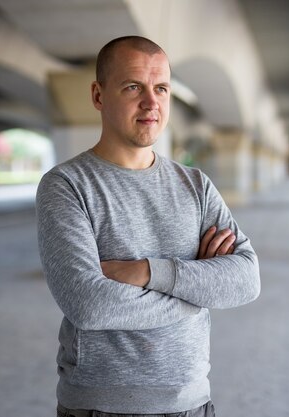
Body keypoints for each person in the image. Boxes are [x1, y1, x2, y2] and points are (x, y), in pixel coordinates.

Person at [36, 35, 260, 417]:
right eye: (133, 87)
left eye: (161, 88)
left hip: (194, 404)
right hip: (101, 408)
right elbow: (90, 305)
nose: (151, 102)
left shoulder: (196, 185)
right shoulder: (67, 185)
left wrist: (147, 272)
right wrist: (200, 289)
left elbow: (246, 280)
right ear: (98, 95)